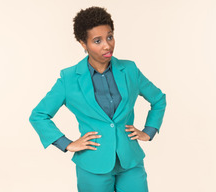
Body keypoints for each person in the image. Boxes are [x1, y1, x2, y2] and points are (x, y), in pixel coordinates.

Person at [29, 6, 166, 192]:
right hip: (93, 165)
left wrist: (148, 131)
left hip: (130, 162)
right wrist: (67, 143)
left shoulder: (130, 70)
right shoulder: (69, 79)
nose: (107, 45)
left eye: (109, 37)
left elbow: (158, 99)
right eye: (97, 40)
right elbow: (39, 115)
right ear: (83, 43)